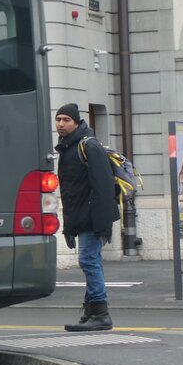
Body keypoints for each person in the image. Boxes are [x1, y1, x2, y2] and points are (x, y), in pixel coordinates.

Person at [54, 103, 119, 332]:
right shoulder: (68, 148)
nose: (61, 124)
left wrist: (103, 226)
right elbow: (71, 193)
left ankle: (100, 313)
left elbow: (103, 189)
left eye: (66, 120)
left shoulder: (89, 146)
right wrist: (69, 228)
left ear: (76, 122)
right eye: (58, 119)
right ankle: (92, 311)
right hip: (82, 218)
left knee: (89, 261)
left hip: (93, 218)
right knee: (89, 261)